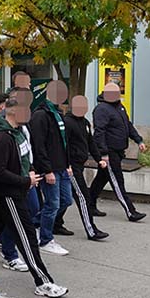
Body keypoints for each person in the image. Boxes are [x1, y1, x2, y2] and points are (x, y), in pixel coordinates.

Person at [0, 95, 68, 298]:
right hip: (9, 194)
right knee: (27, 237)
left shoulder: (18, 133)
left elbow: (26, 159)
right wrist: (25, 181)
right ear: (11, 112)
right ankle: (43, 282)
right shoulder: (2, 137)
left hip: (15, 191)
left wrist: (31, 173)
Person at [89, 83, 147, 222]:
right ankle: (131, 211)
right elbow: (99, 132)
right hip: (109, 151)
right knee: (117, 182)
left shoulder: (119, 107)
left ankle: (89, 204)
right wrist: (103, 153)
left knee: (101, 179)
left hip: (118, 150)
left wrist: (139, 140)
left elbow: (128, 125)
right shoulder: (101, 109)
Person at [29, 80, 73, 254]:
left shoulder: (58, 113)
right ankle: (46, 240)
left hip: (62, 167)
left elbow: (63, 142)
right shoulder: (40, 115)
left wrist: (67, 163)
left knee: (66, 200)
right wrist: (47, 170)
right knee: (52, 204)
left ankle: (35, 224)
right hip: (50, 169)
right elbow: (39, 145)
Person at [64, 95, 110, 241]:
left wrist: (99, 159)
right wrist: (67, 164)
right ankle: (91, 230)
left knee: (63, 200)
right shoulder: (67, 123)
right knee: (83, 197)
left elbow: (90, 143)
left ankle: (54, 223)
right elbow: (63, 146)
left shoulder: (84, 122)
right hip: (72, 166)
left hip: (80, 164)